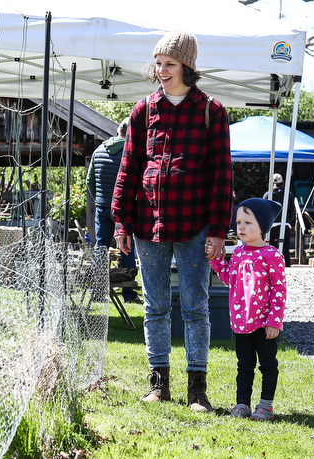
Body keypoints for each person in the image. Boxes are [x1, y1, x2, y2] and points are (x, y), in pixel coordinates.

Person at [111, 30, 233, 411]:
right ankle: (158, 384)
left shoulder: (211, 112)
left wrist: (217, 231)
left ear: (188, 67)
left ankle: (198, 390)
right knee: (155, 306)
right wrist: (120, 222)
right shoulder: (143, 110)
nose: (161, 70)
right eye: (158, 63)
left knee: (196, 306)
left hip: (195, 224)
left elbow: (221, 176)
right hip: (147, 225)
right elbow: (129, 168)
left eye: (170, 64)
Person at [209, 198, 286, 421]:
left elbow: (279, 291)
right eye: (239, 222)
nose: (241, 227)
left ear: (262, 227)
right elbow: (230, 279)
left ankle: (266, 405)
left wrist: (274, 321)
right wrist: (216, 261)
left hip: (264, 324)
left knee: (268, 364)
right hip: (242, 322)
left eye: (248, 222)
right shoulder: (239, 253)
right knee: (244, 365)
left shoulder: (272, 255)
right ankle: (242, 404)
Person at [86, 117, 139, 303]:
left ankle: (98, 291)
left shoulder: (98, 151)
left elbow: (89, 181)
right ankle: (129, 294)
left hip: (102, 207)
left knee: (100, 248)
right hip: (124, 209)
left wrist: (100, 198)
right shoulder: (130, 152)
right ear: (130, 133)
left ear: (118, 131)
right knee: (127, 248)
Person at [262, 173, 294, 267]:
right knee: (285, 249)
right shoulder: (288, 194)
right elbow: (292, 211)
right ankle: (286, 267)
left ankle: (272, 266)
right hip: (285, 224)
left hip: (272, 224)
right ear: (283, 183)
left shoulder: (268, 194)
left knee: (271, 248)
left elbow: (264, 211)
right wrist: (288, 220)